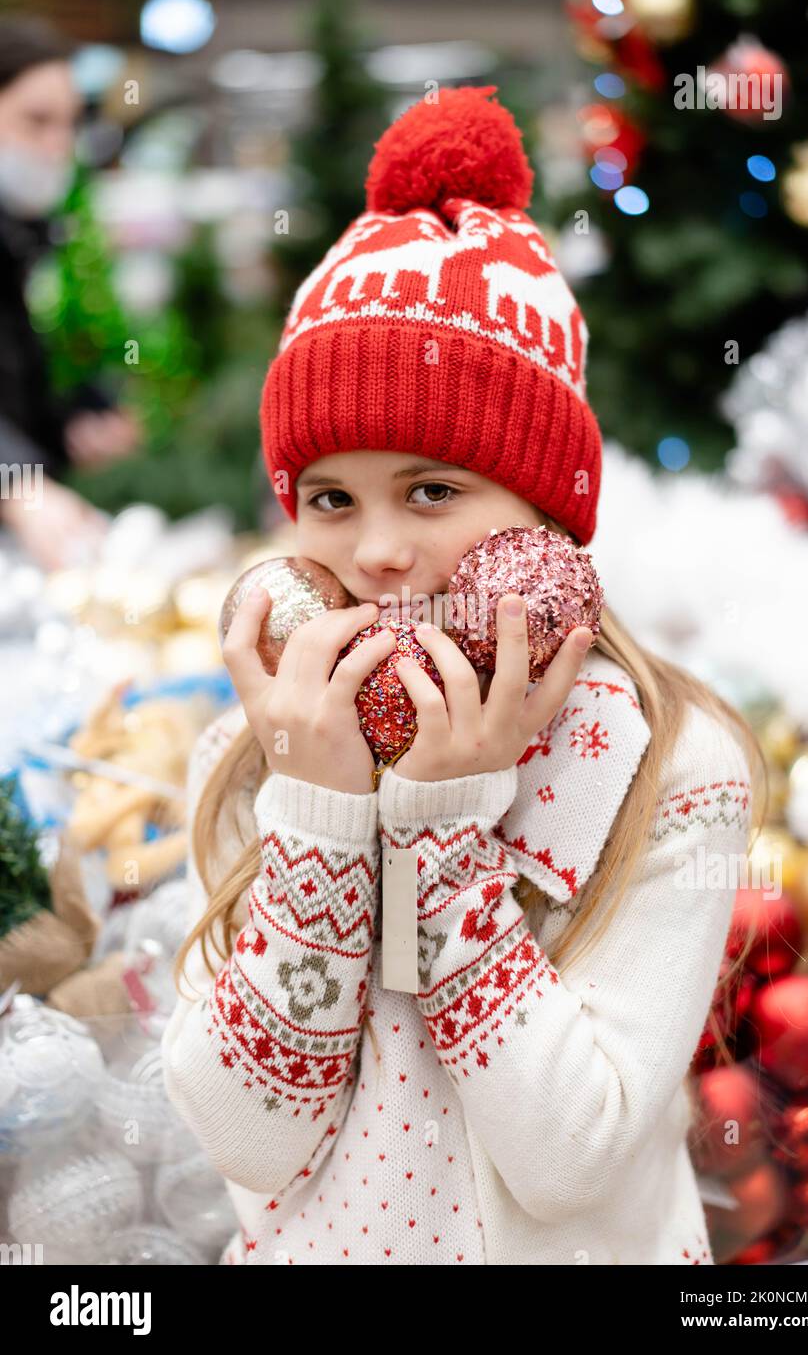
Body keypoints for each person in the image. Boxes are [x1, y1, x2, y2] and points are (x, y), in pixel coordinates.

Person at [161, 86, 767, 1266]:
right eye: (330, 498)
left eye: (431, 489)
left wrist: (439, 828)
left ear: (546, 514)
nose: (376, 549)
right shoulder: (255, 749)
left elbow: (568, 1156)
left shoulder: (664, 767)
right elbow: (246, 1140)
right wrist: (322, 808)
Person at [0, 16, 139, 570]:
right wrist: (17, 486)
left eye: (69, 124)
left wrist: (76, 421)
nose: (58, 145)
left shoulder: (27, 239)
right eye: (36, 121)